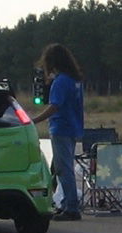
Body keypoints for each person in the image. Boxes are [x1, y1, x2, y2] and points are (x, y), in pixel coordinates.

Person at [31, 42, 84, 221]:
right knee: (64, 166)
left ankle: (71, 207)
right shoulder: (75, 80)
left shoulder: (60, 82)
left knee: (63, 169)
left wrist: (34, 120)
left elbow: (55, 106)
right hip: (73, 126)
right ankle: (69, 203)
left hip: (61, 127)